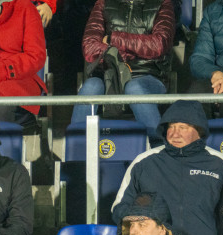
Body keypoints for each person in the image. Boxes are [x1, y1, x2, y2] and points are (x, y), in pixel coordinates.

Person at [112, 101, 223, 235]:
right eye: (171, 127)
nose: (175, 134)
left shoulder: (220, 163)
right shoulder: (144, 162)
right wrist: (144, 221)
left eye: (183, 127)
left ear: (199, 131)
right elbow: (119, 208)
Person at [72, 0, 175, 143]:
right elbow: (89, 48)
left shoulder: (162, 4)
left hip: (147, 74)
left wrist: (113, 39)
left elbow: (158, 44)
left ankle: (159, 150)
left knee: (134, 88)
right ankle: (75, 153)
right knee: (90, 87)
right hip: (108, 74)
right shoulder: (103, 3)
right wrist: (123, 54)